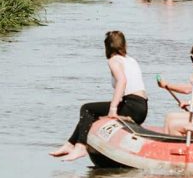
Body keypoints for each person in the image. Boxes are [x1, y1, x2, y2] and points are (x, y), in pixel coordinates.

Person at [51, 30, 148, 161]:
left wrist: (113, 109)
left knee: (86, 108)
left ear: (107, 46)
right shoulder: (131, 60)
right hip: (142, 107)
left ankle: (80, 147)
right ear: (124, 45)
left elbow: (122, 81)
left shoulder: (114, 60)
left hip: (132, 105)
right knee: (92, 112)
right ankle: (70, 144)